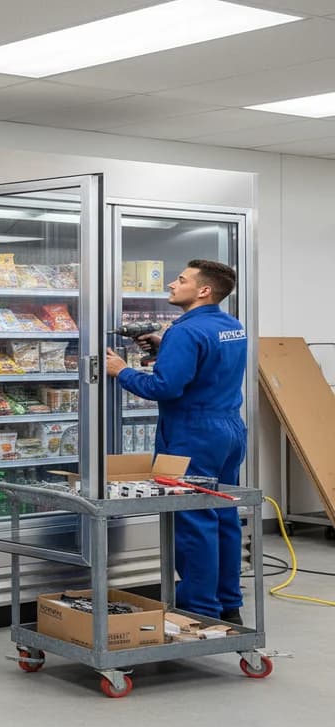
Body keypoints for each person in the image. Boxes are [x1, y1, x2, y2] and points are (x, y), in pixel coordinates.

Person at [105, 259, 248, 624]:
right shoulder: (230, 325)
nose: (172, 283)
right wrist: (165, 347)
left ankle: (199, 610)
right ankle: (228, 604)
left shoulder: (186, 331)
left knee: (193, 520)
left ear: (204, 290)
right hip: (229, 428)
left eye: (181, 279)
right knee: (224, 514)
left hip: (192, 433)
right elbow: (208, 364)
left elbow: (164, 387)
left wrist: (122, 371)